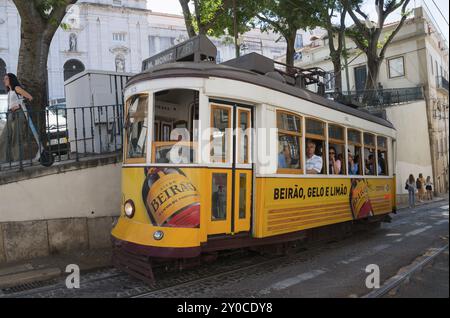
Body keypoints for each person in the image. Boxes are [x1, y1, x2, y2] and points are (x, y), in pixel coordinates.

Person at [0, 73, 33, 163]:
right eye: (4, 79)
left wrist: (18, 105)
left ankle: (17, 160)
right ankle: (4, 160)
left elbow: (29, 97)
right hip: (11, 115)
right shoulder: (9, 91)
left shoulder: (17, 88)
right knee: (4, 137)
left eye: (6, 79)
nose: (4, 80)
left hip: (18, 114)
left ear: (11, 79)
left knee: (16, 138)